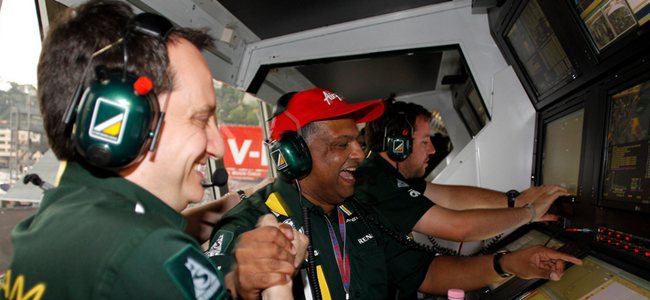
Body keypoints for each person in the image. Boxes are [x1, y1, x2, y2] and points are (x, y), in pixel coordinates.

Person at [3, 1, 295, 299]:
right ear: (124, 120)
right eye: (200, 119)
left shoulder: (48, 224)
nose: (217, 145)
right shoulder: (148, 253)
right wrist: (279, 284)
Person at [206, 88, 582, 298]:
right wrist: (242, 282)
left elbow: (427, 272)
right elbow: (216, 283)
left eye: (357, 141)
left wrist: (508, 264)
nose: (359, 154)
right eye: (342, 145)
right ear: (295, 157)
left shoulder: (356, 211)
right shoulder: (248, 225)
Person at [356, 100, 568, 243]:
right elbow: (458, 227)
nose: (432, 149)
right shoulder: (377, 183)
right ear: (398, 146)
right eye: (424, 142)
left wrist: (514, 201)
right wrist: (529, 213)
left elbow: (450, 197)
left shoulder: (390, 175)